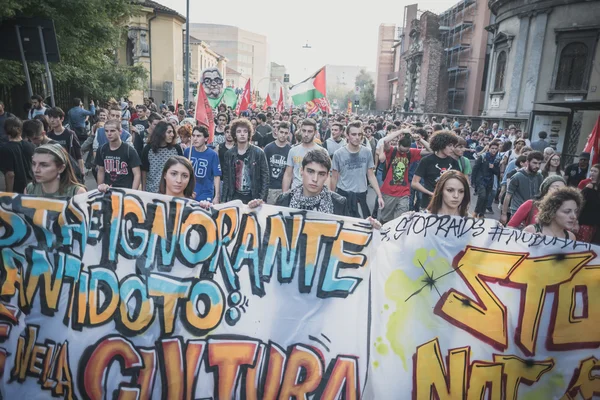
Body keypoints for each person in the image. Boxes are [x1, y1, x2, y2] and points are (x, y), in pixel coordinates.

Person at [247, 150, 381, 229]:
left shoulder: (339, 203)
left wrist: (368, 226)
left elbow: (350, 233)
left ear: (327, 176)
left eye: (321, 174)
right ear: (301, 172)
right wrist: (257, 212)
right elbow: (271, 231)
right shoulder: (284, 200)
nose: (315, 179)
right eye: (310, 171)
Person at [331, 121, 384, 219]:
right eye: (353, 134)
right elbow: (334, 177)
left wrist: (379, 196)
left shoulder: (367, 152)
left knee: (363, 225)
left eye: (359, 134)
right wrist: (331, 198)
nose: (357, 137)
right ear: (347, 135)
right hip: (344, 194)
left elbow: (371, 175)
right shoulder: (338, 154)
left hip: (361, 194)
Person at [378, 129, 431, 223]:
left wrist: (420, 139)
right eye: (401, 150)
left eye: (405, 151)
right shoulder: (391, 151)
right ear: (398, 145)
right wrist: (401, 131)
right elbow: (385, 141)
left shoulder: (410, 152)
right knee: (386, 220)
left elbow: (430, 150)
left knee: (400, 221)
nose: (403, 153)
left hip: (404, 193)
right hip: (388, 192)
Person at [221, 118, 269, 203]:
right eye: (239, 131)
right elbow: (226, 178)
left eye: (245, 131)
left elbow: (265, 177)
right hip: (234, 197)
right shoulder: (229, 154)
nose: (242, 134)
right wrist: (224, 200)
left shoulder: (258, 153)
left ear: (249, 133)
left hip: (254, 197)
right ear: (234, 134)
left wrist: (262, 199)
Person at [411, 131, 460, 210]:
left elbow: (459, 182)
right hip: (428, 203)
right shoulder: (426, 160)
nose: (452, 149)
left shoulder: (454, 162)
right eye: (450, 145)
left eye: (454, 146)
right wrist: (431, 193)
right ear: (441, 145)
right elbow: (414, 183)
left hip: (448, 204)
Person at [282, 118, 328, 191]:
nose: (306, 134)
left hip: (315, 192)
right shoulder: (293, 150)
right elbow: (288, 174)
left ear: (315, 132)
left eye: (309, 131)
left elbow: (326, 176)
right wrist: (284, 195)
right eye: (304, 131)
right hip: (296, 192)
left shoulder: (322, 151)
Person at [95, 119, 142, 192]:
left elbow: (137, 174)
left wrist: (132, 192)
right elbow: (101, 171)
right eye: (106, 131)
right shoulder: (101, 150)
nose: (109, 134)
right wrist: (100, 188)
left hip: (125, 191)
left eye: (112, 131)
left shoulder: (129, 150)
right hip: (108, 191)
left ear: (120, 132)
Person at [500, 151, 544, 225]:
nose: (537, 166)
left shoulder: (539, 176)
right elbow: (508, 195)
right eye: (534, 163)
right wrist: (504, 214)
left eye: (539, 163)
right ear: (527, 162)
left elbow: (541, 194)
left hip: (533, 211)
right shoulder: (517, 176)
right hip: (517, 210)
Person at [141, 121, 183, 192]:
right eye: (169, 132)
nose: (172, 135)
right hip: (152, 190)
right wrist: (143, 190)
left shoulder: (176, 149)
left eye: (173, 132)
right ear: (161, 133)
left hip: (171, 191)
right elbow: (144, 171)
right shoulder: (148, 149)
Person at [183, 125, 221, 203]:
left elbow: (216, 176)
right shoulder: (188, 151)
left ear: (206, 138)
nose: (195, 138)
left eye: (198, 136)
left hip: (205, 194)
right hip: (189, 192)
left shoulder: (213, 155)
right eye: (193, 135)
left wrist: (217, 196)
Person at [0, 117, 35, 193]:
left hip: (17, 191)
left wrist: (9, 194)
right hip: (32, 188)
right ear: (21, 129)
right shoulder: (31, 146)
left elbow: (10, 174)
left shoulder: (5, 149)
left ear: (5, 131)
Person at [46, 107, 85, 174]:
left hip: (70, 169)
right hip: (54, 170)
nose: (52, 120)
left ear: (62, 118)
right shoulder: (48, 135)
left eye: (55, 117)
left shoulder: (70, 134)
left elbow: (78, 154)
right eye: (50, 117)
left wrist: (81, 171)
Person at [471, 140, 501, 218]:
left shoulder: (497, 159)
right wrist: (473, 181)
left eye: (496, 148)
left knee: (486, 198)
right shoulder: (483, 156)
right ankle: (476, 212)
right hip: (480, 179)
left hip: (490, 181)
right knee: (482, 196)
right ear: (489, 148)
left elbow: (497, 172)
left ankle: (481, 213)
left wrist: (493, 167)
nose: (494, 150)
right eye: (492, 148)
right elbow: (475, 168)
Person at [264, 121, 291, 204]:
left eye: (286, 133)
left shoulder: (290, 150)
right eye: (281, 132)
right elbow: (264, 169)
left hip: (284, 188)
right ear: (276, 132)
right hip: (270, 188)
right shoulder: (268, 148)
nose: (283, 135)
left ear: (289, 134)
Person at [577, 165, 600, 244]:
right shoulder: (589, 187)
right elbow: (580, 204)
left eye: (595, 171)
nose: (592, 173)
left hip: (595, 224)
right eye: (591, 170)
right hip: (585, 223)